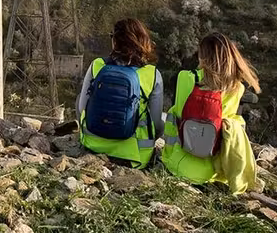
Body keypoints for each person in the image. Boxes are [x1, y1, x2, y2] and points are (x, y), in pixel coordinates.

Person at [161, 33, 261, 194]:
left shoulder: (184, 78)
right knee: (234, 123)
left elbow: (176, 114)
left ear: (203, 56)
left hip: (176, 165)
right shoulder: (236, 88)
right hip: (212, 174)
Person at [76, 18, 164, 169]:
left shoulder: (97, 65)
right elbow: (156, 123)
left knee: (80, 98)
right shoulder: (152, 74)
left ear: (115, 41)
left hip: (93, 147)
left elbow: (81, 108)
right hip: (134, 157)